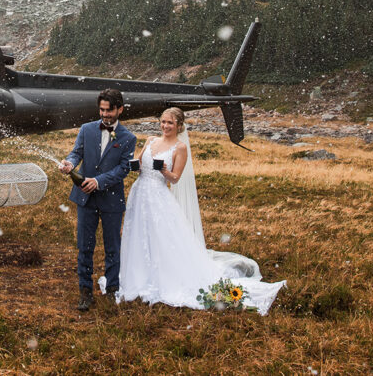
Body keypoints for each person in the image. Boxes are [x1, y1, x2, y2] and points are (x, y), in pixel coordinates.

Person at [118, 107, 285, 315]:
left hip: (159, 194)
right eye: (163, 122)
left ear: (179, 126)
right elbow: (140, 162)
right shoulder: (151, 140)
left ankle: (163, 275)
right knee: (138, 233)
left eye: (170, 123)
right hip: (140, 192)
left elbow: (175, 178)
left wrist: (163, 170)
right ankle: (139, 273)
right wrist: (135, 165)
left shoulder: (180, 148)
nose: (165, 126)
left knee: (161, 236)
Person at [60, 88, 136, 311]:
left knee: (113, 247)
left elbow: (123, 169)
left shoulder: (128, 138)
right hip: (85, 198)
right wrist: (70, 163)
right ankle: (85, 291)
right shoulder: (86, 129)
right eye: (101, 110)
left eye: (109, 110)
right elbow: (77, 153)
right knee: (85, 246)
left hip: (112, 200)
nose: (104, 114)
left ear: (120, 109)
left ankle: (112, 290)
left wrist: (99, 181)